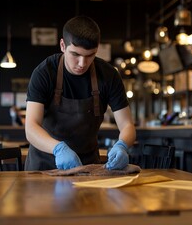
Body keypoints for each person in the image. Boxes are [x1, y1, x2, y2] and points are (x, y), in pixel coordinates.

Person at [24, 15, 136, 171]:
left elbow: (127, 125)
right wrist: (58, 149)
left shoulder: (108, 75)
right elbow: (31, 128)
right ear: (63, 45)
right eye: (75, 54)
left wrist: (122, 145)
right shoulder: (45, 73)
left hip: (88, 166)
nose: (82, 64)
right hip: (44, 165)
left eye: (90, 55)